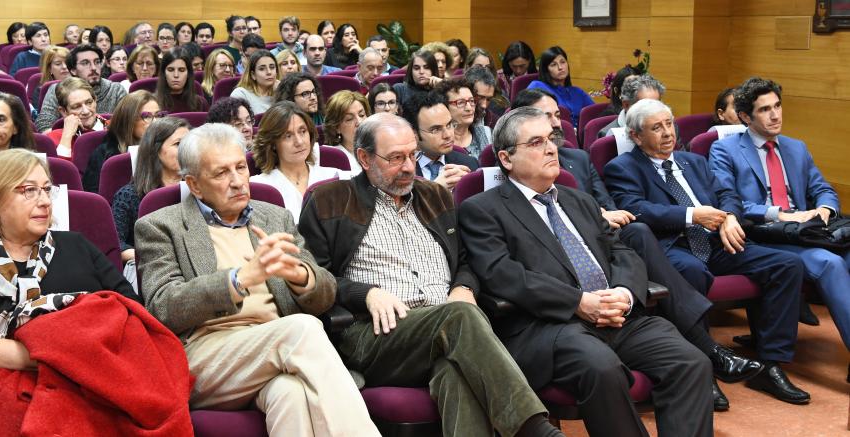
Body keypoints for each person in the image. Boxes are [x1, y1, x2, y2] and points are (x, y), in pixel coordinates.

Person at [298, 112, 564, 437]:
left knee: (454, 371)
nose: (409, 167)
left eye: (413, 155)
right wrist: (364, 293)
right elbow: (314, 279)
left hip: (447, 330)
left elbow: (465, 260)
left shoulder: (433, 196)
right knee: (459, 317)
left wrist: (464, 286)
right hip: (374, 334)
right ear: (364, 158)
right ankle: (535, 430)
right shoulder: (330, 200)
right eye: (396, 158)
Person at [458, 106, 713, 437]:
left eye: (551, 139)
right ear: (506, 159)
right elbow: (502, 274)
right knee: (602, 368)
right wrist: (578, 302)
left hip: (617, 318)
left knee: (692, 362)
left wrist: (624, 292)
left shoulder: (580, 200)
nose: (551, 149)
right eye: (535, 142)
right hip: (550, 326)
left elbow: (622, 251)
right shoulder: (482, 209)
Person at [512, 87, 763, 411]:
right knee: (645, 235)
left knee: (637, 233)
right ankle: (708, 351)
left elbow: (608, 201)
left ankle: (708, 357)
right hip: (564, 243)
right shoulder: (511, 178)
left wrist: (601, 213)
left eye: (556, 117)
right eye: (545, 118)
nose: (555, 125)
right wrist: (595, 215)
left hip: (605, 233)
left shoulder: (577, 158)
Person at [134, 122, 379, 436]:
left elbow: (326, 293)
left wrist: (300, 276)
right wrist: (238, 280)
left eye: (240, 167)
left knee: (291, 393)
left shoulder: (274, 217)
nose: (237, 181)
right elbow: (162, 307)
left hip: (278, 350)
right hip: (206, 357)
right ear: (194, 185)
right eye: (221, 173)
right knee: (302, 328)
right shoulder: (159, 226)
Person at [604, 98, 809, 405]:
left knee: (787, 265)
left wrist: (729, 218)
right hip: (671, 245)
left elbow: (727, 193)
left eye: (669, 124)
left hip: (716, 241)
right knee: (691, 271)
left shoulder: (694, 162)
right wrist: (691, 216)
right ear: (635, 135)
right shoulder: (622, 168)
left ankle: (770, 364)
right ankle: (705, 369)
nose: (668, 133)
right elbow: (636, 209)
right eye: (656, 128)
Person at [0, 149, 145, 436]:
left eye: (46, 189)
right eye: (29, 190)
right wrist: (64, 356)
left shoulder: (77, 245)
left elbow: (132, 311)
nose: (44, 200)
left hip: (93, 392)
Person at [709, 77, 850, 356]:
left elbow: (822, 189)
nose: (775, 115)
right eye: (764, 109)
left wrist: (824, 210)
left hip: (807, 230)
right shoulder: (724, 149)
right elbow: (728, 201)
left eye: (777, 106)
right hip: (766, 234)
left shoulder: (796, 147)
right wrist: (781, 215)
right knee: (830, 263)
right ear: (745, 117)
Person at [114, 117, 189, 264]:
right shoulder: (129, 195)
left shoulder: (200, 189)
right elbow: (117, 246)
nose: (187, 150)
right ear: (156, 150)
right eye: (178, 144)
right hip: (151, 265)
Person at [250, 102, 339, 223]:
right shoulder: (259, 187)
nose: (299, 142)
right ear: (272, 143)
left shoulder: (333, 177)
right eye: (288, 136)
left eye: (303, 131)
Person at [82, 91, 162, 193]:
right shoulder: (105, 154)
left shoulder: (167, 147)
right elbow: (95, 198)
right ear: (128, 120)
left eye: (158, 115)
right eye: (146, 116)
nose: (155, 122)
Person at [36, 45, 127, 133]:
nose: (93, 68)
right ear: (73, 70)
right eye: (85, 63)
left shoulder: (116, 89)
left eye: (97, 62)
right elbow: (44, 126)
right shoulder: (57, 90)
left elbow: (127, 124)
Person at [401, 91, 478, 190]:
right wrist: (435, 190)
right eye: (435, 129)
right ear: (413, 133)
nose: (448, 135)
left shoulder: (469, 163)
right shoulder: (399, 170)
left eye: (449, 125)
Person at [526, 46, 593, 127]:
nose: (560, 67)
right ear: (546, 70)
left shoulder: (577, 92)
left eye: (563, 62)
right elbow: (524, 116)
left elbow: (595, 113)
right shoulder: (537, 86)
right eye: (553, 64)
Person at [45, 77, 108, 158]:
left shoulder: (114, 127)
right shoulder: (53, 138)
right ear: (64, 111)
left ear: (95, 101)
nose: (86, 111)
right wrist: (67, 137)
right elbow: (58, 166)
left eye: (89, 102)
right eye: (76, 107)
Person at [598, 73, 666, 138]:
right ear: (626, 105)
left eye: (657, 105)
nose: (653, 112)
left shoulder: (669, 129)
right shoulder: (608, 135)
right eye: (645, 107)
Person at [436, 77, 490, 158]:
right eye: (460, 103)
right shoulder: (438, 141)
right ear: (444, 106)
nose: (469, 108)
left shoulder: (487, 133)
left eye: (472, 101)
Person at [156, 47, 209, 113]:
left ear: (188, 73)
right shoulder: (153, 104)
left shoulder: (201, 103)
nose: (176, 75)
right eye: (170, 70)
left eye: (181, 70)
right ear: (164, 73)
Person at [231, 50, 278, 115]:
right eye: (262, 69)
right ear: (253, 75)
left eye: (272, 67)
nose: (269, 72)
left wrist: (280, 94)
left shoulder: (281, 91)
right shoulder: (241, 94)